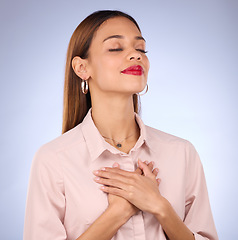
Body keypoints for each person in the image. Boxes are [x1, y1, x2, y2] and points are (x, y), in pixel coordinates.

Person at [23, 10, 218, 240]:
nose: (135, 56)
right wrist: (118, 212)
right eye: (116, 48)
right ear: (82, 68)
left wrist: (161, 207)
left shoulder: (182, 152)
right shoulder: (53, 160)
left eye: (141, 49)